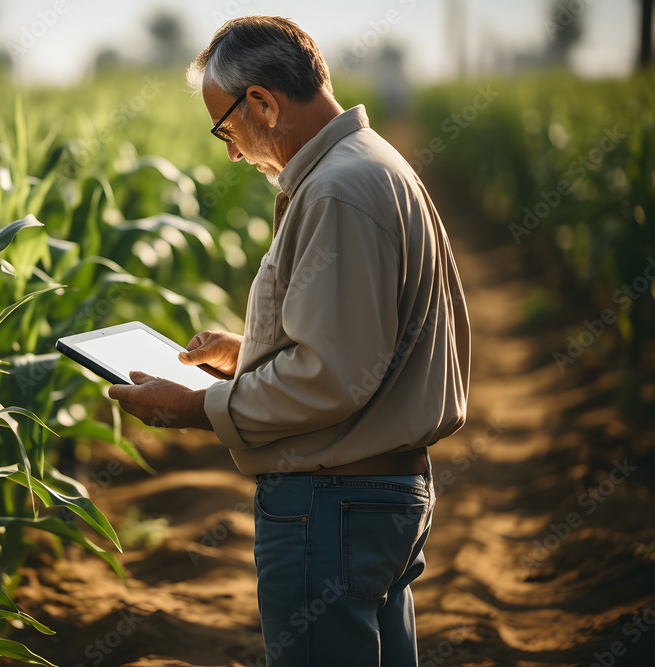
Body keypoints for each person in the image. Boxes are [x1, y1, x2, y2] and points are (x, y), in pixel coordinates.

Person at [108, 15, 471, 666]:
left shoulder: (338, 190)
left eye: (226, 129)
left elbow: (331, 376)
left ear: (263, 103)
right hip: (375, 500)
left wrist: (195, 409)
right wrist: (249, 353)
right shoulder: (373, 165)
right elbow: (363, 343)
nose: (231, 152)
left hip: (332, 508)